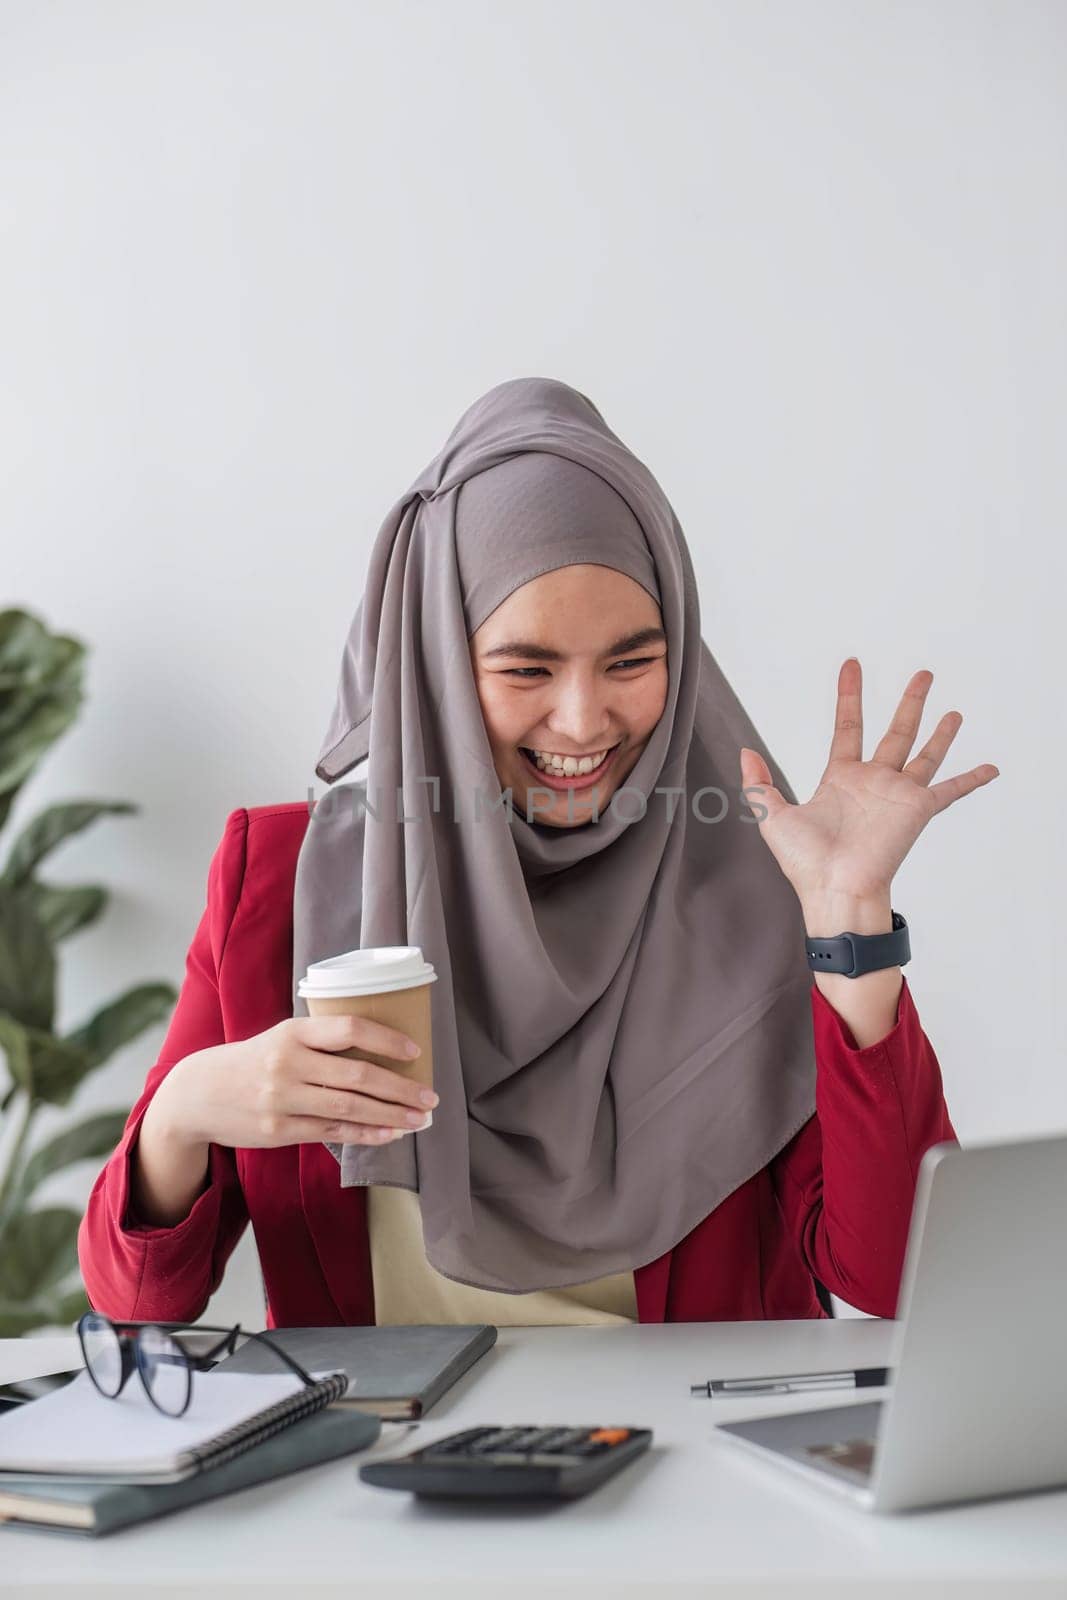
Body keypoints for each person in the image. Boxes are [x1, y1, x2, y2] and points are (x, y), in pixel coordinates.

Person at [78, 378, 997, 1329]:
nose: (583, 719)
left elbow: (896, 1279)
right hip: (382, 1468)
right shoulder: (281, 880)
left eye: (632, 662)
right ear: (433, 662)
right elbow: (140, 1299)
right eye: (526, 668)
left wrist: (850, 923)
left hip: (690, 1469)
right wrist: (185, 1112)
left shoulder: (755, 880)